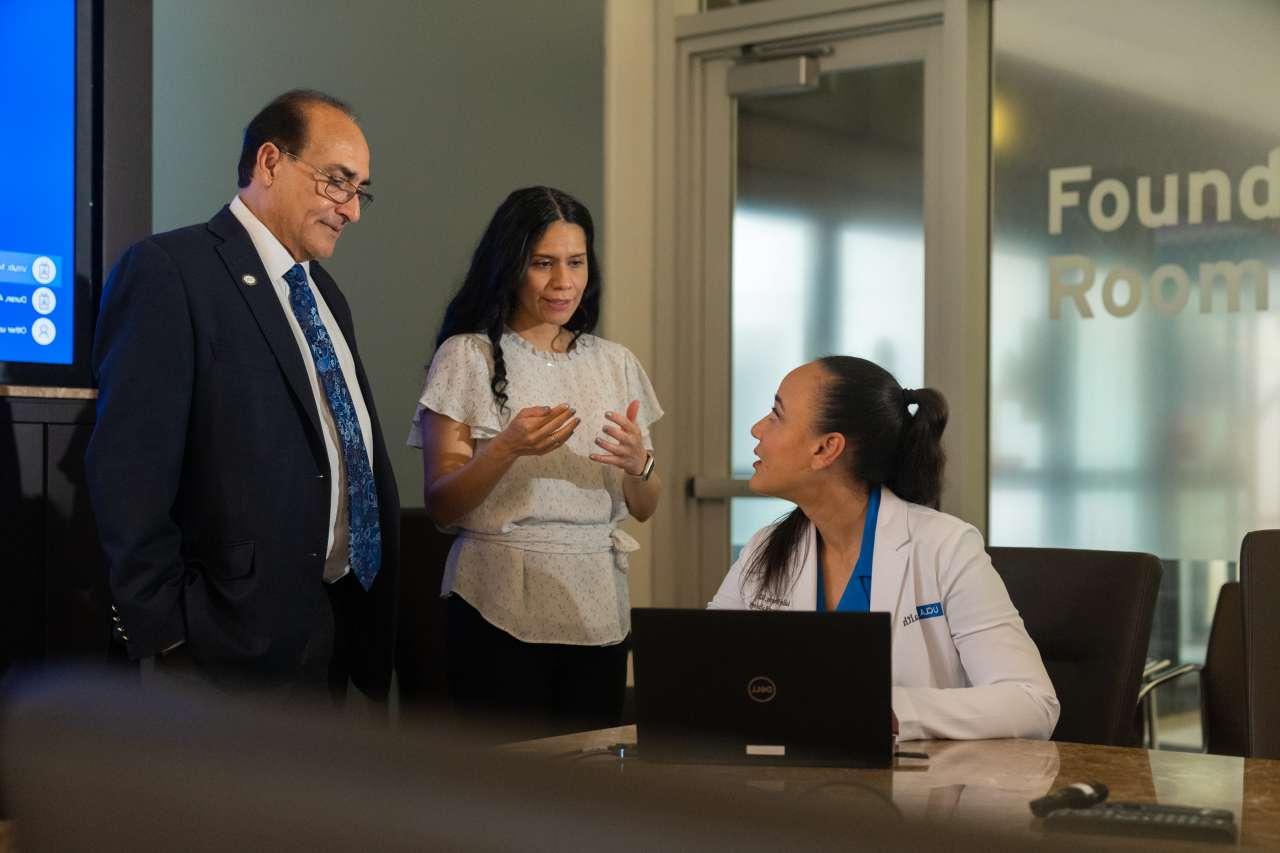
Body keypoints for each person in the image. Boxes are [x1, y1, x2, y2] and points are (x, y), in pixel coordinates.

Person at [85, 90, 399, 701]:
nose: (351, 210)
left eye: (360, 190)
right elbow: (127, 471)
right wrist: (168, 636)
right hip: (221, 650)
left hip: (330, 632)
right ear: (270, 162)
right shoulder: (170, 271)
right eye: (337, 182)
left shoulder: (326, 294)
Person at [410, 186, 662, 738]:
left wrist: (638, 463)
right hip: (497, 599)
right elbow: (441, 506)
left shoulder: (614, 363)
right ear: (510, 265)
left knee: (589, 783)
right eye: (543, 264)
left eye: (576, 263)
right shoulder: (467, 355)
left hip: (597, 599)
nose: (563, 282)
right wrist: (506, 448)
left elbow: (643, 507)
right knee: (507, 792)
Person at [709, 356, 1059, 741]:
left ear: (826, 448)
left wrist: (885, 709)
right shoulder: (766, 548)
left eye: (777, 415)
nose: (757, 428)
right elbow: (705, 668)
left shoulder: (945, 548)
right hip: (791, 785)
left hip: (922, 792)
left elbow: (1032, 703)